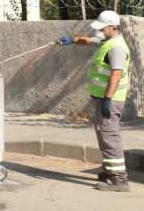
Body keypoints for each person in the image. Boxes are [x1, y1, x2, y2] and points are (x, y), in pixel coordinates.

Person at [59, 10, 131, 192]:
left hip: (110, 100)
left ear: (113, 27)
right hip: (102, 98)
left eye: (102, 28)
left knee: (109, 136)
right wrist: (73, 39)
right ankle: (109, 171)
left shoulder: (117, 48)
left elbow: (116, 74)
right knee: (103, 134)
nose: (99, 31)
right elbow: (90, 40)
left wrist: (107, 99)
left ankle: (119, 180)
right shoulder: (108, 41)